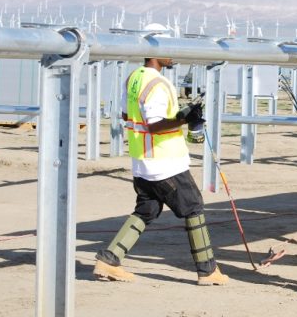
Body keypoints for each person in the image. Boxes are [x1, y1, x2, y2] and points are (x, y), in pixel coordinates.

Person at [93, 23, 228, 286]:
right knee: (194, 209)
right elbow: (155, 124)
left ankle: (108, 260)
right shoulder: (158, 83)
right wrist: (182, 118)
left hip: (142, 162)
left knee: (147, 210)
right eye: (169, 48)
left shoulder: (133, 79)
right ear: (155, 50)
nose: (173, 53)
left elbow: (125, 115)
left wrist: (181, 117)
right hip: (165, 163)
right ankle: (208, 270)